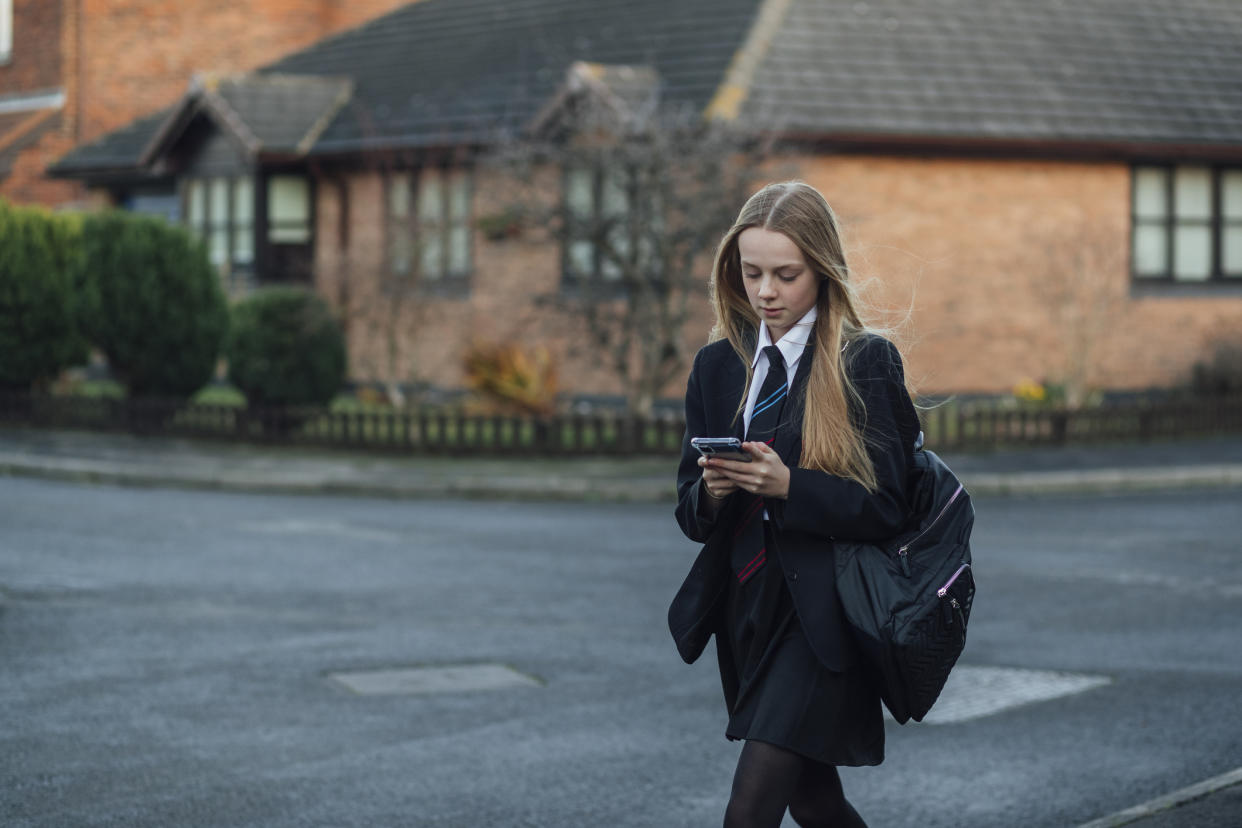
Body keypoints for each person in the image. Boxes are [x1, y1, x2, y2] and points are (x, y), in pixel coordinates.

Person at [669, 181, 922, 828]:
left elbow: (888, 506)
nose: (765, 292)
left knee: (748, 811)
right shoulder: (717, 366)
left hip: (820, 616)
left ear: (823, 269)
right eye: (751, 273)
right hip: (744, 610)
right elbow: (689, 511)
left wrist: (791, 487)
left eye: (786, 274)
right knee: (813, 800)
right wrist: (714, 490)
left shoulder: (864, 362)